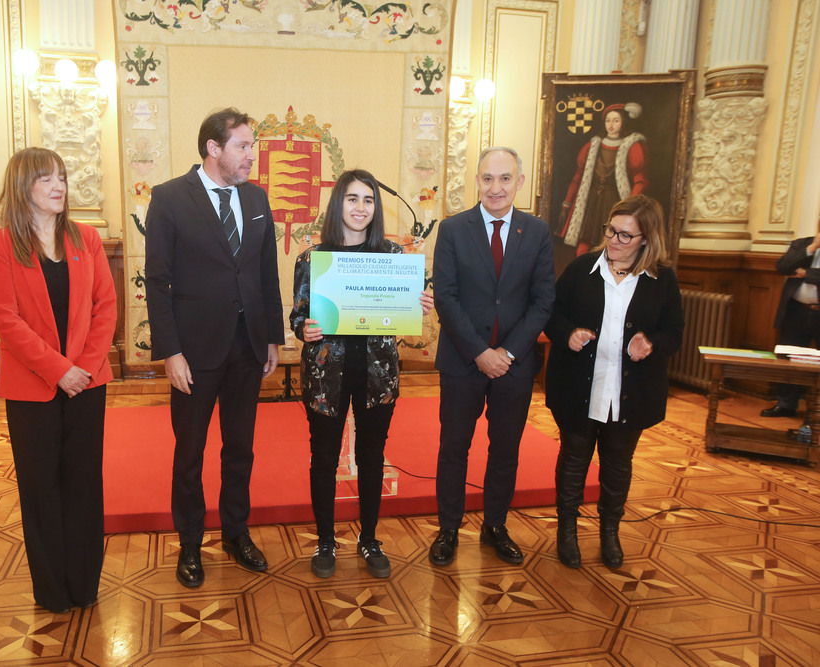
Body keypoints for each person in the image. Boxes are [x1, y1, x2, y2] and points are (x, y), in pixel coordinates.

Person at [145, 108, 284, 588]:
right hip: (194, 352)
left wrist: (272, 338)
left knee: (240, 449)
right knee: (190, 451)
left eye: (252, 146)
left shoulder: (258, 198)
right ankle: (189, 543)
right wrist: (171, 352)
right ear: (213, 148)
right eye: (244, 146)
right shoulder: (168, 199)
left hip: (248, 348)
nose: (252, 155)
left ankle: (236, 533)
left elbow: (266, 273)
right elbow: (157, 282)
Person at [0, 147, 117, 613]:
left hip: (88, 382)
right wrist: (60, 371)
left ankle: (84, 585)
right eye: (46, 179)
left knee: (84, 486)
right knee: (41, 490)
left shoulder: (86, 239)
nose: (58, 185)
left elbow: (105, 308)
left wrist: (83, 367)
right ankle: (52, 592)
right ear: (23, 187)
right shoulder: (0, 244)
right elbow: (6, 320)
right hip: (30, 388)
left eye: (61, 177)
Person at [290, 169, 434, 579]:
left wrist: (418, 302)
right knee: (324, 459)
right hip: (325, 374)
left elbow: (405, 309)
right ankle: (324, 541)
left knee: (373, 458)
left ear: (376, 208)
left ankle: (369, 539)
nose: (360, 207)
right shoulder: (313, 259)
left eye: (368, 200)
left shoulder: (393, 257)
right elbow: (298, 315)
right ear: (338, 204)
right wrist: (305, 328)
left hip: (377, 375)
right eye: (352, 199)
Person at [430, 146, 555, 567]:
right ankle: (448, 528)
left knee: (505, 449)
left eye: (505, 178)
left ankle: (495, 526)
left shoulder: (536, 232)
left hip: (514, 367)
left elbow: (542, 302)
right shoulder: (452, 229)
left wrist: (508, 353)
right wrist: (481, 352)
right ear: (477, 182)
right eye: (487, 178)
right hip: (463, 362)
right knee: (453, 448)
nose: (495, 187)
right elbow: (445, 297)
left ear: (519, 182)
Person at [545, 194, 683, 569]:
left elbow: (675, 332)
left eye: (626, 235)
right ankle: (567, 532)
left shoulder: (661, 279)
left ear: (646, 240)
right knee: (574, 457)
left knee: (618, 461)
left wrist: (651, 343)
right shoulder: (582, 268)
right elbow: (552, 314)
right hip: (578, 386)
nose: (615, 241)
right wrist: (567, 334)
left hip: (631, 392)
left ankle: (610, 533)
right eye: (611, 231)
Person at [557, 103, 648, 256]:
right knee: (584, 242)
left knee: (612, 243)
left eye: (616, 120)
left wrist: (629, 206)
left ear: (623, 122)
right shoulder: (591, 146)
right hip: (591, 201)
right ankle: (584, 274)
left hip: (615, 201)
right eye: (608, 120)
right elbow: (578, 177)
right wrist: (567, 201)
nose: (611, 125)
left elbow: (641, 181)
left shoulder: (632, 146)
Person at [760, 223, 820, 418]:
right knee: (789, 357)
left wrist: (806, 274)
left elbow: (799, 272)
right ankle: (786, 404)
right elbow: (783, 266)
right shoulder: (801, 245)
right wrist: (812, 248)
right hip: (796, 310)